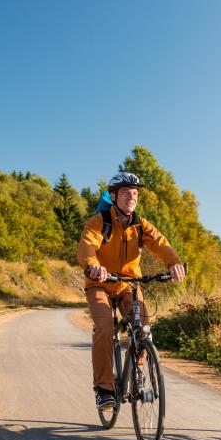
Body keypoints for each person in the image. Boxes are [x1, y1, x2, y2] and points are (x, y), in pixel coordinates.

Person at [77, 172, 185, 410]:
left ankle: (137, 368)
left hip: (128, 284)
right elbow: (87, 246)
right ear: (114, 196)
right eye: (126, 192)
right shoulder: (99, 222)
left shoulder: (141, 224)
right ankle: (104, 390)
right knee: (105, 328)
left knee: (144, 326)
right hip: (100, 284)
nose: (132, 197)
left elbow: (161, 243)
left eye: (135, 193)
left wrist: (174, 263)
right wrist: (92, 266)